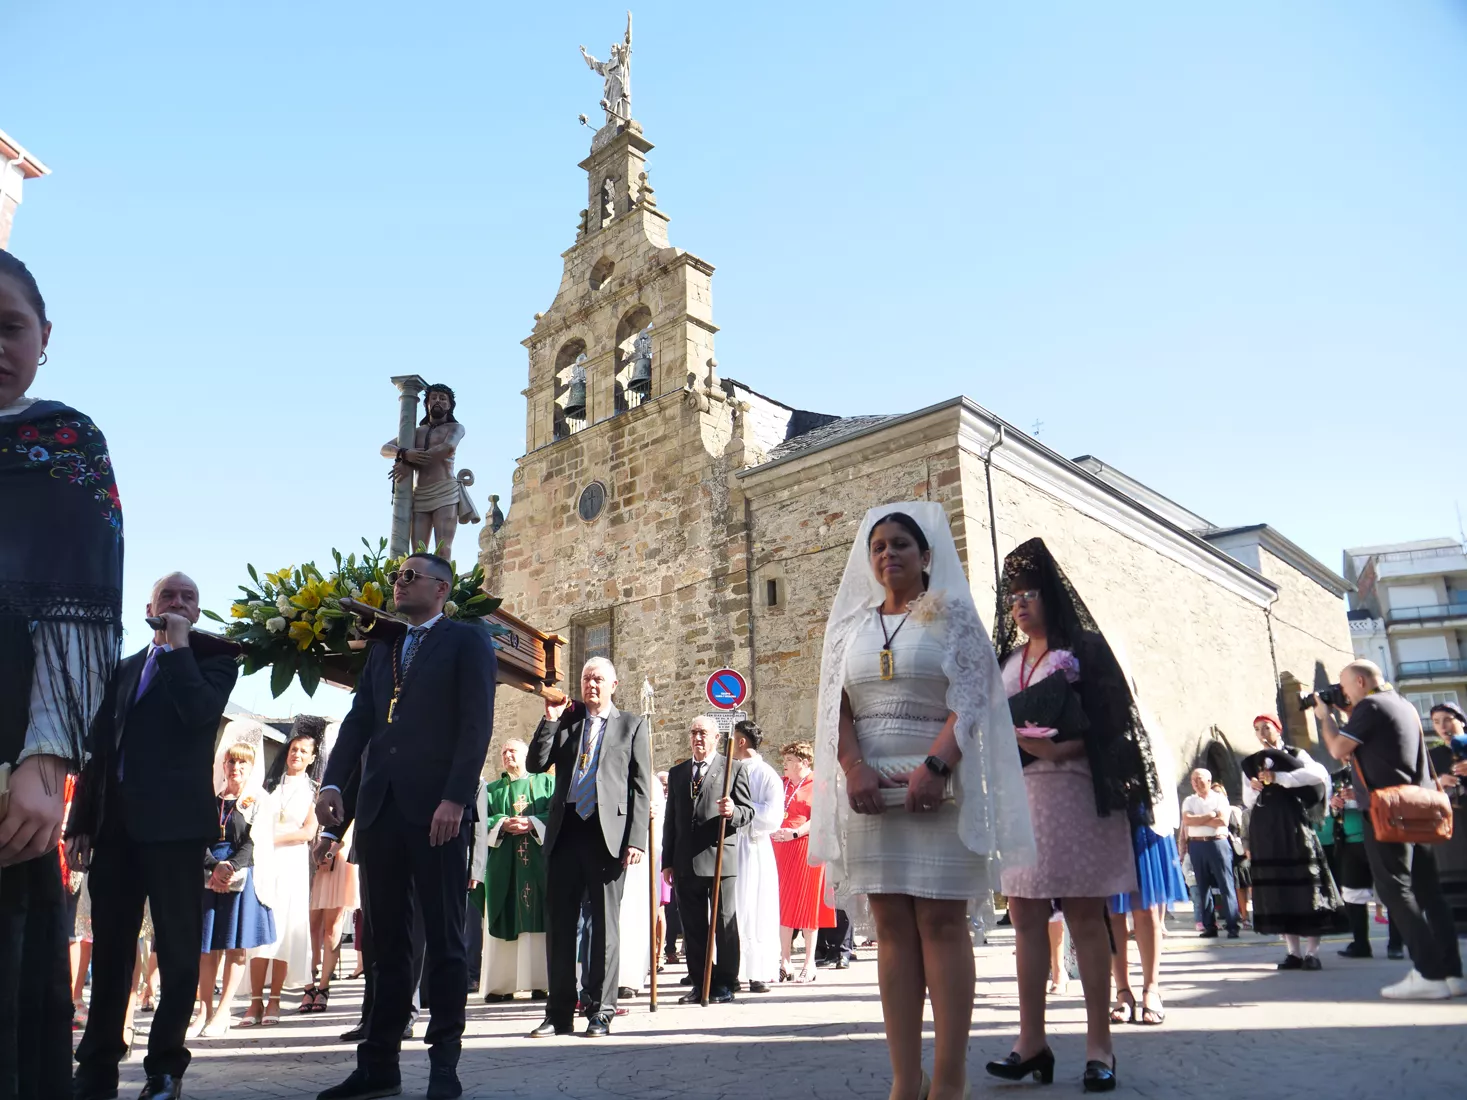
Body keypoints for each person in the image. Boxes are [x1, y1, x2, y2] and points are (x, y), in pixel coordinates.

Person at [810, 504, 1034, 1100]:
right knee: (890, 927)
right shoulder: (851, 627)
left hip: (939, 782)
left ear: (925, 554)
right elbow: (835, 705)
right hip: (870, 793)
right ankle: (905, 1078)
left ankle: (950, 1076)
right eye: (879, 545)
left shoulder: (951, 617)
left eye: (901, 543)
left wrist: (937, 765)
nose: (889, 554)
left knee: (940, 920)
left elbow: (974, 695)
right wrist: (852, 766)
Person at [0, 249, 124, 1100]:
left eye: (8, 327)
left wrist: (48, 766)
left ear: (44, 338)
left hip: (10, 768)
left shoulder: (66, 446)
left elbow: (82, 611)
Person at [314, 552, 498, 1100]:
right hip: (380, 812)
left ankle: (444, 1064)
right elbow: (360, 721)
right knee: (385, 943)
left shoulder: (467, 640)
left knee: (443, 939)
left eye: (409, 576)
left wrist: (456, 799)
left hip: (437, 813)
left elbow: (476, 723)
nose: (398, 583)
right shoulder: (385, 648)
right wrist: (333, 785)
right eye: (397, 577)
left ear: (441, 588)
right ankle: (377, 1064)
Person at [986, 537, 1158, 1094]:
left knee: (1085, 918)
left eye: (1031, 594)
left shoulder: (1084, 648)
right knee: (1027, 920)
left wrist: (1063, 749)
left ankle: (1098, 1044)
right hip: (1021, 796)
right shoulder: (1009, 661)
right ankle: (1030, 1041)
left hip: (1076, 789)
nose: (1020, 605)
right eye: (1013, 597)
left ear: (1053, 597)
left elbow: (1113, 721)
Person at [71, 572, 238, 1100]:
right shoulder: (121, 670)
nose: (179, 603)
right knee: (113, 948)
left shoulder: (214, 661)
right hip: (116, 830)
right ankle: (96, 1065)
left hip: (176, 833)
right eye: (170, 596)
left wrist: (178, 647)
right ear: (150, 605)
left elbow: (197, 712)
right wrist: (80, 822)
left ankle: (165, 1069)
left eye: (190, 598)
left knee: (179, 950)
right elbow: (99, 749)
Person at [1316, 661, 1465, 1000]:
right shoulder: (1402, 704)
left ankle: (1429, 973)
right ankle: (1453, 973)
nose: (1343, 692)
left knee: (1395, 888)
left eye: (1345, 685)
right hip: (1419, 805)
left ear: (1359, 680)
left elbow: (1339, 749)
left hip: (1386, 811)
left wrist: (1326, 716)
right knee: (1429, 891)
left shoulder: (1370, 705)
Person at [527, 658, 651, 1039]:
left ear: (614, 684)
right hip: (566, 832)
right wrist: (549, 719)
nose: (591, 685)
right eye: (585, 679)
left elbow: (641, 786)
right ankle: (559, 1012)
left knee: (603, 927)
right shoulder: (568, 722)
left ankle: (600, 1009)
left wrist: (636, 839)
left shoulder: (632, 725)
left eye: (598, 679)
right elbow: (536, 764)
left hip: (607, 836)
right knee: (561, 926)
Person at [662, 718, 754, 1004]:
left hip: (719, 858)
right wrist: (668, 861)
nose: (697, 738)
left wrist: (732, 812)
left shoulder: (733, 769)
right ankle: (702, 982)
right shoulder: (678, 773)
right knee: (693, 926)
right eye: (693, 733)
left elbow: (748, 811)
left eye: (703, 733)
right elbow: (671, 821)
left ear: (716, 737)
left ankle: (727, 981)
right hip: (685, 861)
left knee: (724, 923)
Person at [1241, 714, 1340, 972]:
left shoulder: (1297, 753)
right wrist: (1253, 787)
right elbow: (1248, 802)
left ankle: (1312, 953)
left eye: (1266, 727)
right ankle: (1293, 953)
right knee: (1279, 891)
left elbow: (1317, 776)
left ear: (1278, 729)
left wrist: (1280, 778)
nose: (1262, 732)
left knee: (1306, 887)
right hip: (1267, 829)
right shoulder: (1252, 763)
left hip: (1294, 825)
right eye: (1257, 729)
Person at [195, 742, 275, 1037]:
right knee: (206, 948)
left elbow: (254, 841)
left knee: (234, 946)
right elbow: (198, 836)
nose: (236, 768)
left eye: (243, 763)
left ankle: (223, 1010)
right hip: (209, 871)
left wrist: (230, 868)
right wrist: (212, 865)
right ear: (223, 764)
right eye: (231, 762)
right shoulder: (211, 799)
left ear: (251, 768)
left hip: (239, 872)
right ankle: (203, 1009)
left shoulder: (256, 801)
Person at [246, 717, 322, 1023]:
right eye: (294, 749)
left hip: (291, 866)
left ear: (312, 758)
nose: (297, 755)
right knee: (259, 931)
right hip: (264, 863)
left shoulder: (313, 790)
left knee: (281, 932)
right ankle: (254, 1002)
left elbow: (306, 832)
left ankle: (274, 1001)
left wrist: (269, 839)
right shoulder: (269, 785)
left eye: (304, 751)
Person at [477, 739, 554, 1002]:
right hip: (503, 865)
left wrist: (532, 822)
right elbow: (478, 820)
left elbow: (556, 813)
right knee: (505, 913)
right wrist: (501, 823)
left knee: (539, 913)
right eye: (503, 752)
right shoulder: (492, 789)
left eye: (513, 751)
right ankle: (501, 985)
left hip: (537, 863)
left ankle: (540, 983)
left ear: (526, 755)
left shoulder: (545, 783)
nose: (507, 755)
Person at [771, 740, 835, 981]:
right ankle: (785, 961)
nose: (784, 764)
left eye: (789, 760)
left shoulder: (818, 784)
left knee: (808, 904)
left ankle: (809, 962)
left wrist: (795, 833)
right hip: (781, 848)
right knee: (783, 903)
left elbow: (820, 816)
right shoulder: (782, 784)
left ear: (804, 762)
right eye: (784, 760)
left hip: (807, 847)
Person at [732, 721, 782, 993]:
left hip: (755, 845)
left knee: (756, 906)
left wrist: (743, 812)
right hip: (731, 845)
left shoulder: (766, 774)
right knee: (734, 907)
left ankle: (757, 971)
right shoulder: (729, 770)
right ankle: (731, 968)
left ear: (742, 742)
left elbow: (774, 816)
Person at [1180, 768, 1240, 939]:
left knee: (1225, 885)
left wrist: (1199, 818)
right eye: (1193, 780)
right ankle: (1209, 926)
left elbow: (1222, 821)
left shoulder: (1220, 799)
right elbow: (1187, 820)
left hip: (1217, 842)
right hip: (1197, 845)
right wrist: (1210, 815)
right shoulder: (1189, 801)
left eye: (1199, 779)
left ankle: (1232, 924)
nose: (1196, 783)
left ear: (1208, 780)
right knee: (1202, 886)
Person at [307, 818, 359, 1010]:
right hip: (309, 860)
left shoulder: (337, 793)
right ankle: (308, 983)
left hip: (335, 862)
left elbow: (348, 828)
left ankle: (323, 987)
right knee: (309, 927)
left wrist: (329, 853)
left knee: (331, 928)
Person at [1328, 769, 1377, 958]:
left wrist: (1360, 797)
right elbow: (1329, 811)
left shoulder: (1374, 769)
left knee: (1390, 893)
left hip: (1378, 839)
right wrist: (1334, 805)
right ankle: (1361, 944)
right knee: (1353, 895)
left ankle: (1396, 944)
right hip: (1348, 842)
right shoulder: (1338, 777)